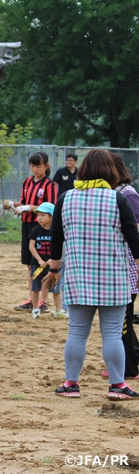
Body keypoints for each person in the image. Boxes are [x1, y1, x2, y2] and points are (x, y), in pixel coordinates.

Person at [44, 149, 139, 400]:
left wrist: (54, 269)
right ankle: (117, 385)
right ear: (111, 172)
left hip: (78, 276)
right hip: (113, 277)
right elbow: (134, 240)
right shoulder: (118, 200)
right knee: (112, 334)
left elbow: (56, 239)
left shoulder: (65, 199)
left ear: (83, 170)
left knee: (76, 332)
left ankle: (71, 384)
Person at [3, 152, 57, 313]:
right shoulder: (27, 181)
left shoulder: (50, 185)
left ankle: (44, 301)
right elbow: (24, 202)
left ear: (46, 166)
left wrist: (28, 208)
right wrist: (13, 204)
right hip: (28, 227)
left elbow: (50, 206)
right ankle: (32, 298)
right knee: (30, 265)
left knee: (45, 265)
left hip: (43, 228)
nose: (35, 169)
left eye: (38, 166)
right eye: (32, 166)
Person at [107, 153, 139, 380]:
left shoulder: (127, 194)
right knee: (122, 319)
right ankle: (132, 359)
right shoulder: (113, 194)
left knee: (123, 320)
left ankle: (129, 368)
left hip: (128, 267)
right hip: (118, 265)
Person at [28, 202, 66, 319]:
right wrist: (39, 260)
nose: (39, 218)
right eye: (38, 215)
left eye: (43, 215)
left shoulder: (57, 231)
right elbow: (31, 246)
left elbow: (62, 246)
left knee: (55, 289)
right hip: (38, 264)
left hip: (53, 265)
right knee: (35, 288)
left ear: (51, 217)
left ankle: (59, 310)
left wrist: (53, 260)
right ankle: (35, 309)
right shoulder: (35, 231)